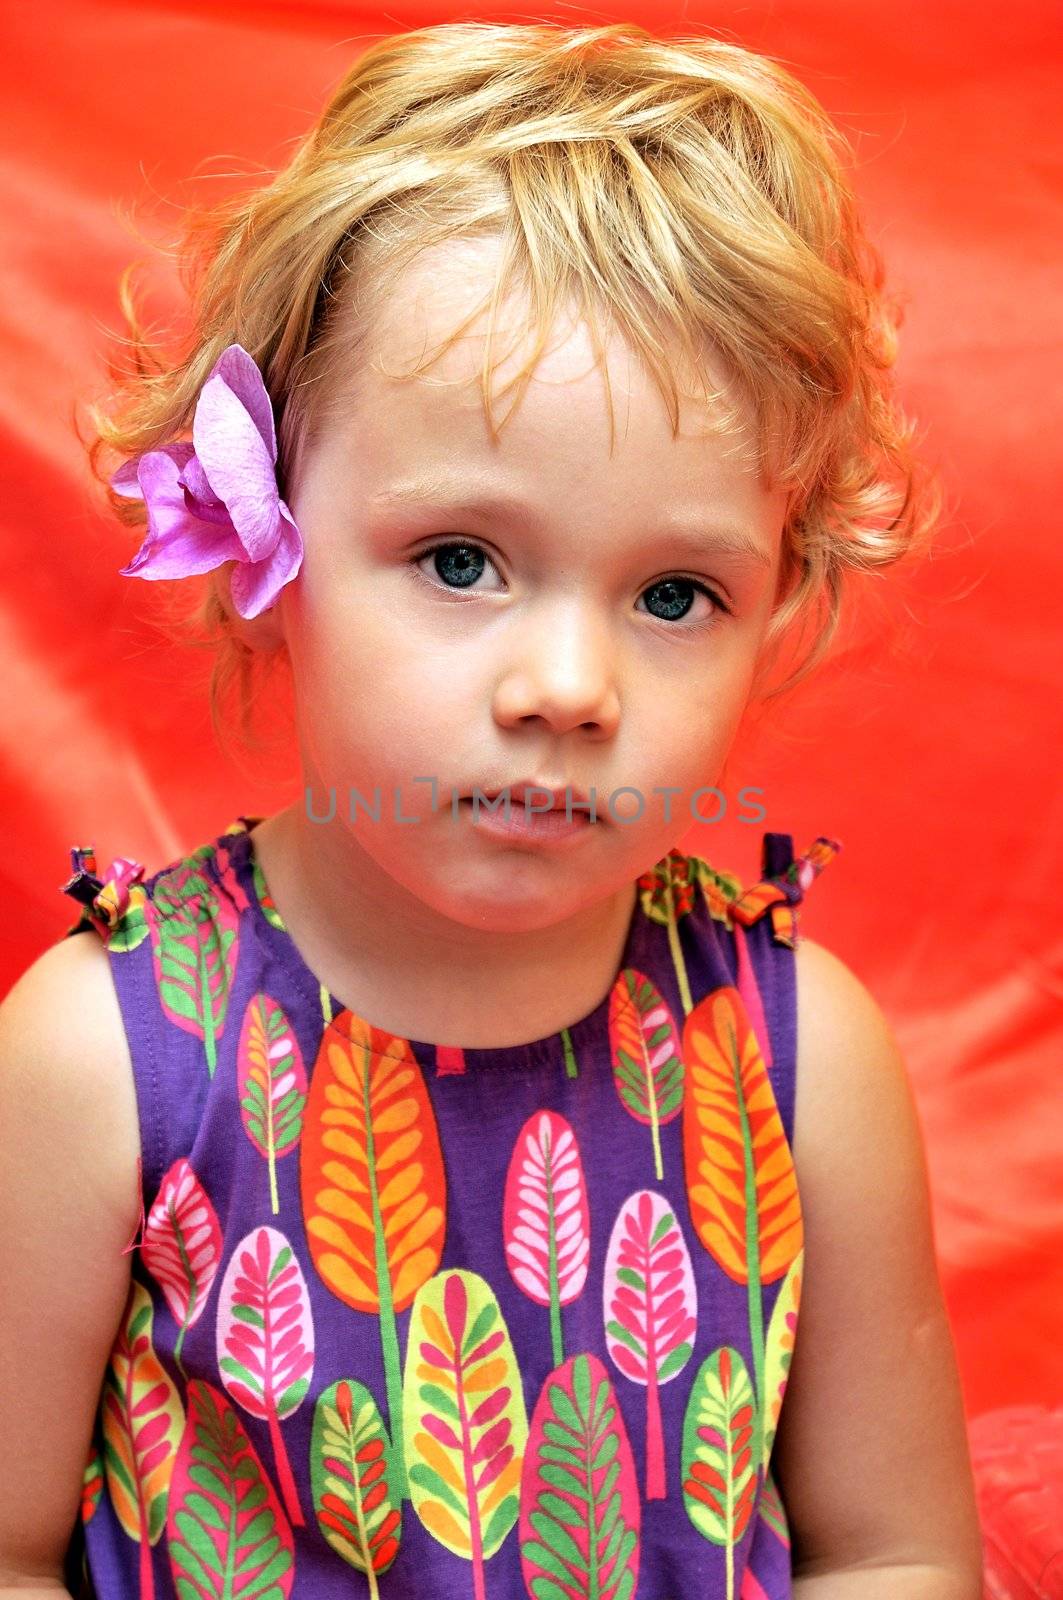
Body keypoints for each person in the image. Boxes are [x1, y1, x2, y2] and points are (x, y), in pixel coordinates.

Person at [0, 19, 984, 1600]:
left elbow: (898, 1553)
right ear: (264, 539)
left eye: (677, 592)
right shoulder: (102, 1061)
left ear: (778, 609)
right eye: (462, 560)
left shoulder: (802, 1063)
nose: (571, 686)